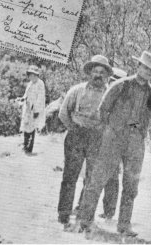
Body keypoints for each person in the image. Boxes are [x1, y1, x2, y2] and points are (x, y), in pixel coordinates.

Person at [77, 51, 151, 237]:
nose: (148, 71)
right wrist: (108, 132)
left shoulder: (150, 92)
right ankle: (85, 221)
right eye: (145, 67)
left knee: (131, 185)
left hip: (135, 143)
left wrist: (140, 133)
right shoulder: (121, 85)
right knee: (98, 179)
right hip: (113, 140)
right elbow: (103, 110)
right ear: (138, 67)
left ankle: (124, 225)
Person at [57, 54, 112, 228]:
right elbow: (63, 113)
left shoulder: (110, 94)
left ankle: (84, 214)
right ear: (89, 72)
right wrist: (73, 129)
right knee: (70, 176)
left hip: (97, 139)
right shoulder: (77, 90)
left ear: (106, 76)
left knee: (91, 179)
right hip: (76, 135)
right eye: (95, 71)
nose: (98, 75)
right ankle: (64, 213)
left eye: (102, 72)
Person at [74, 66, 128, 220]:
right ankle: (82, 206)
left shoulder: (125, 101)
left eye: (117, 81)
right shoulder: (101, 94)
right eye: (112, 81)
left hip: (115, 143)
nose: (113, 84)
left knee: (112, 178)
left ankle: (109, 212)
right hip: (97, 141)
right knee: (90, 175)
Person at [18, 65, 46, 154]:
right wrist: (22, 98)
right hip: (28, 108)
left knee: (32, 128)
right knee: (26, 126)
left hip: (34, 109)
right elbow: (26, 94)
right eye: (30, 75)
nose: (32, 77)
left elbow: (40, 98)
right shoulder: (30, 84)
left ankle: (29, 147)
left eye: (33, 75)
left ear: (37, 75)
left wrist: (37, 110)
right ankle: (25, 145)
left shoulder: (40, 84)